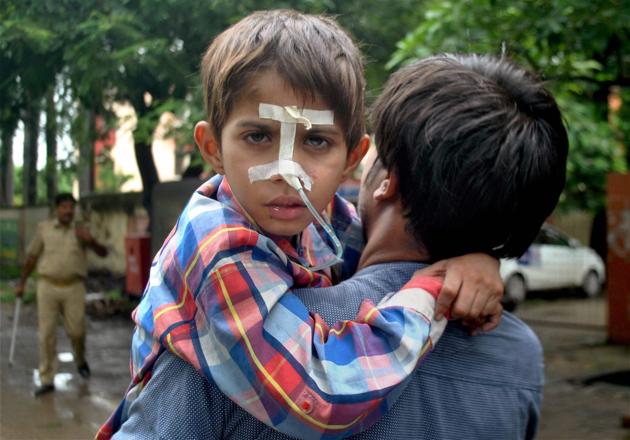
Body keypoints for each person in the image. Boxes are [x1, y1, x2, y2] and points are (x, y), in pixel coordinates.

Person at [109, 54, 568, 439]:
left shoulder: (224, 341)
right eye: (258, 137)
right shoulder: (519, 356)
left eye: (316, 143)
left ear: (385, 181)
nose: (288, 173)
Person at [16, 193, 108, 397]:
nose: (68, 211)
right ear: (57, 209)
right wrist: (21, 283)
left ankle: (80, 359)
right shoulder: (44, 229)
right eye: (64, 207)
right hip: (47, 286)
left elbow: (103, 253)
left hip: (74, 287)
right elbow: (31, 257)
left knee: (77, 331)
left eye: (71, 207)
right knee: (46, 333)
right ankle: (47, 379)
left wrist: (90, 241)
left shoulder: (81, 231)